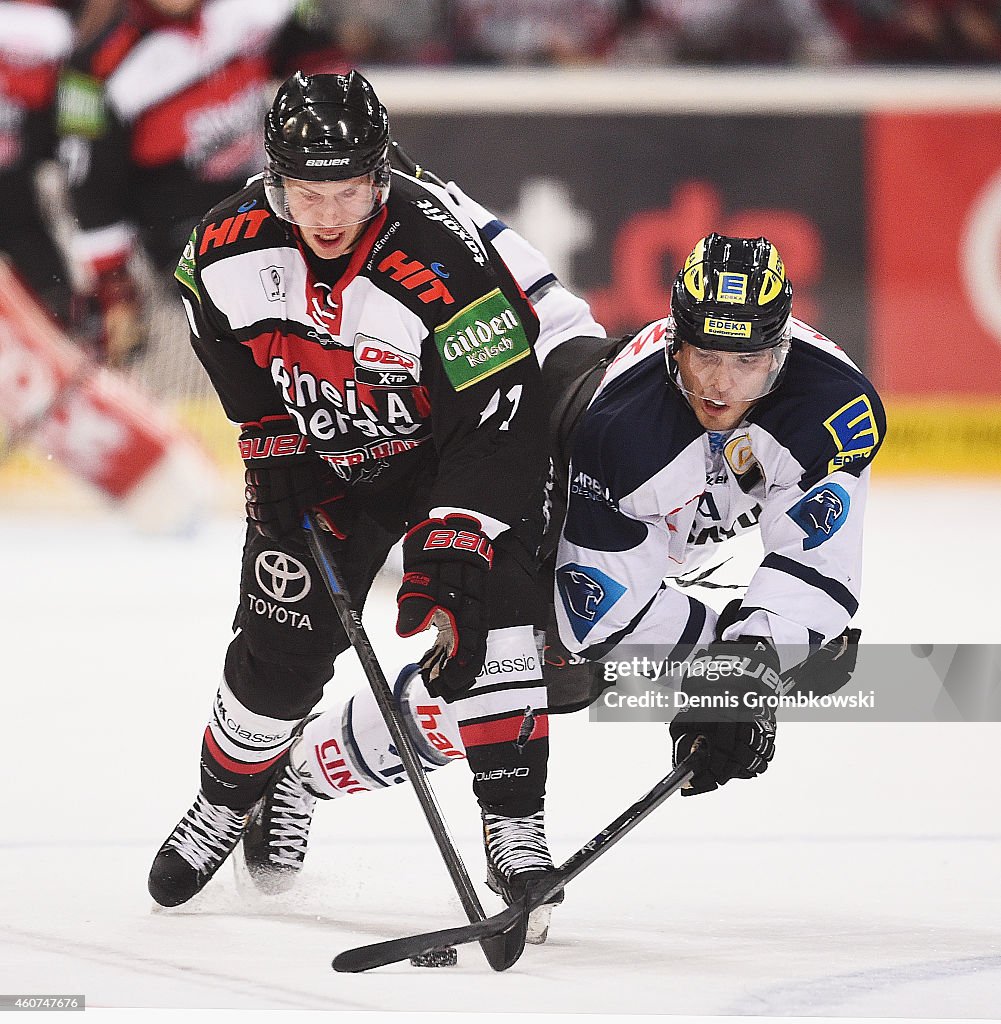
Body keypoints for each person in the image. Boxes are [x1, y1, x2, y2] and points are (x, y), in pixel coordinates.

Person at [147, 69, 605, 943]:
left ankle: (513, 830)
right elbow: (210, 320)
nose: (326, 215)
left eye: (349, 190)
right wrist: (269, 437)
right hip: (327, 451)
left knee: (491, 615)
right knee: (281, 638)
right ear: (274, 177)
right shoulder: (224, 247)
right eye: (307, 192)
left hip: (453, 448)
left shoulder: (439, 260)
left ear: (382, 174)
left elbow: (499, 417)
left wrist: (460, 539)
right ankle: (223, 801)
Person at [553, 232, 884, 795]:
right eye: (705, 353)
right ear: (675, 344)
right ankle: (348, 762)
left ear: (781, 351)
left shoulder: (829, 405)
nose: (720, 383)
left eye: (747, 358)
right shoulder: (624, 429)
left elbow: (818, 565)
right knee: (522, 674)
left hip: (674, 530)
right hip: (547, 496)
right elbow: (594, 618)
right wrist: (732, 669)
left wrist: (755, 649)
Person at [56, 0, 340, 365]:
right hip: (188, 240)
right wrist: (115, 287)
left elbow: (318, 51)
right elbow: (89, 187)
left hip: (277, 203)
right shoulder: (92, 72)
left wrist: (326, 120)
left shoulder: (249, 13)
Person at [0, 0, 75, 322]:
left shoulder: (41, 24)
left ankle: (62, 303)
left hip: (32, 150)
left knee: (26, 225)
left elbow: (57, 91)